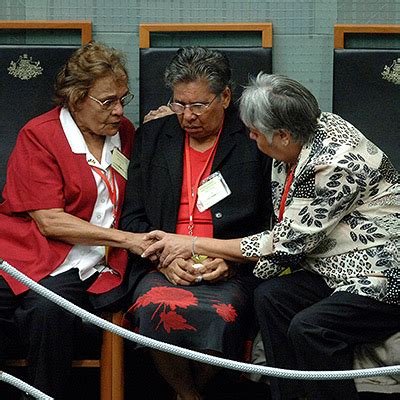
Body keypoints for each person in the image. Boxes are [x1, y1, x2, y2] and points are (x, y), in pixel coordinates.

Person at [142, 72, 400, 400]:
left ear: (281, 134)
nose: (250, 136)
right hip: (333, 268)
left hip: (385, 276)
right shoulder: (297, 137)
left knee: (311, 328)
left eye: (255, 131)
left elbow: (286, 242)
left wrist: (193, 243)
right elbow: (283, 247)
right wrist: (231, 265)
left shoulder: (337, 163)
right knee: (271, 296)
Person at [120, 47, 272, 400]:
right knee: (155, 306)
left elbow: (270, 218)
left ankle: (190, 392)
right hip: (162, 265)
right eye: (179, 104)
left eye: (199, 106)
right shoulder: (153, 137)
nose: (187, 116)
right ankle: (188, 395)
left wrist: (232, 262)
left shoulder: (253, 140)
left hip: (229, 266)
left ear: (225, 97)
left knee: (222, 314)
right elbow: (133, 216)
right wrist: (164, 258)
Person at [0, 42, 149, 399]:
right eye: (107, 101)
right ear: (75, 98)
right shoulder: (40, 136)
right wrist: (127, 239)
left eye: (122, 100)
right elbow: (50, 222)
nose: (117, 111)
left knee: (47, 311)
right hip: (30, 254)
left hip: (91, 265)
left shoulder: (124, 133)